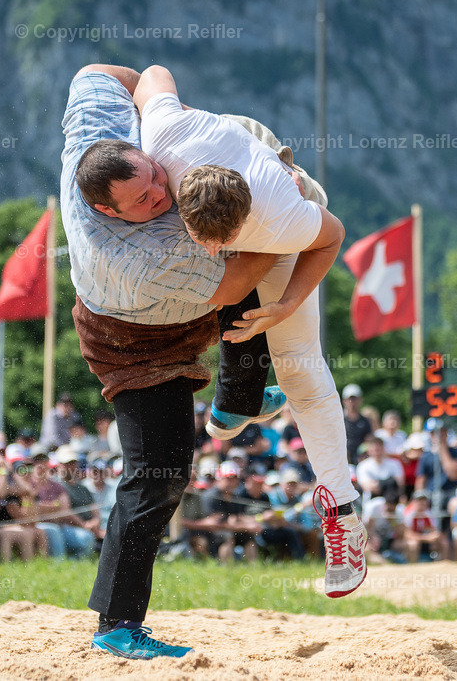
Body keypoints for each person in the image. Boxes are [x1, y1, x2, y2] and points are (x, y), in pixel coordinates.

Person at [62, 63, 295, 660]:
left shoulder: (96, 133)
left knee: (227, 232)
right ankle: (116, 625)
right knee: (160, 474)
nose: (162, 194)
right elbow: (245, 272)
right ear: (110, 211)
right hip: (134, 345)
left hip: (180, 305)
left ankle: (238, 397)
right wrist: (278, 197)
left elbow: (110, 72)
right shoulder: (139, 254)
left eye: (157, 178)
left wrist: (167, 119)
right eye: (144, 200)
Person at [132, 63, 365, 593]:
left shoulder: (283, 214)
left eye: (224, 242)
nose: (213, 252)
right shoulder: (164, 133)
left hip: (283, 215)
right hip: (208, 158)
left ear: (243, 223)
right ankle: (242, 403)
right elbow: (152, 73)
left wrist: (286, 305)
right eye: (205, 240)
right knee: (223, 418)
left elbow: (331, 238)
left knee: (301, 370)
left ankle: (343, 515)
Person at [403, 490, 447, 562]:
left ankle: (443, 563)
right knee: (413, 544)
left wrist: (432, 537)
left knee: (442, 542)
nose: (421, 503)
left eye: (423, 500)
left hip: (425, 540)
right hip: (417, 540)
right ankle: (413, 565)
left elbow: (434, 531)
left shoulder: (430, 514)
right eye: (419, 500)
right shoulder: (409, 514)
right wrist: (426, 538)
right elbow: (407, 534)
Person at [341, 384, 372, 466]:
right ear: (344, 401)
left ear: (360, 400)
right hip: (342, 460)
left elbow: (369, 440)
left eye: (355, 399)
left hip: (361, 460)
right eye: (350, 399)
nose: (352, 402)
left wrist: (364, 453)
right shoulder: (339, 420)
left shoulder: (365, 421)